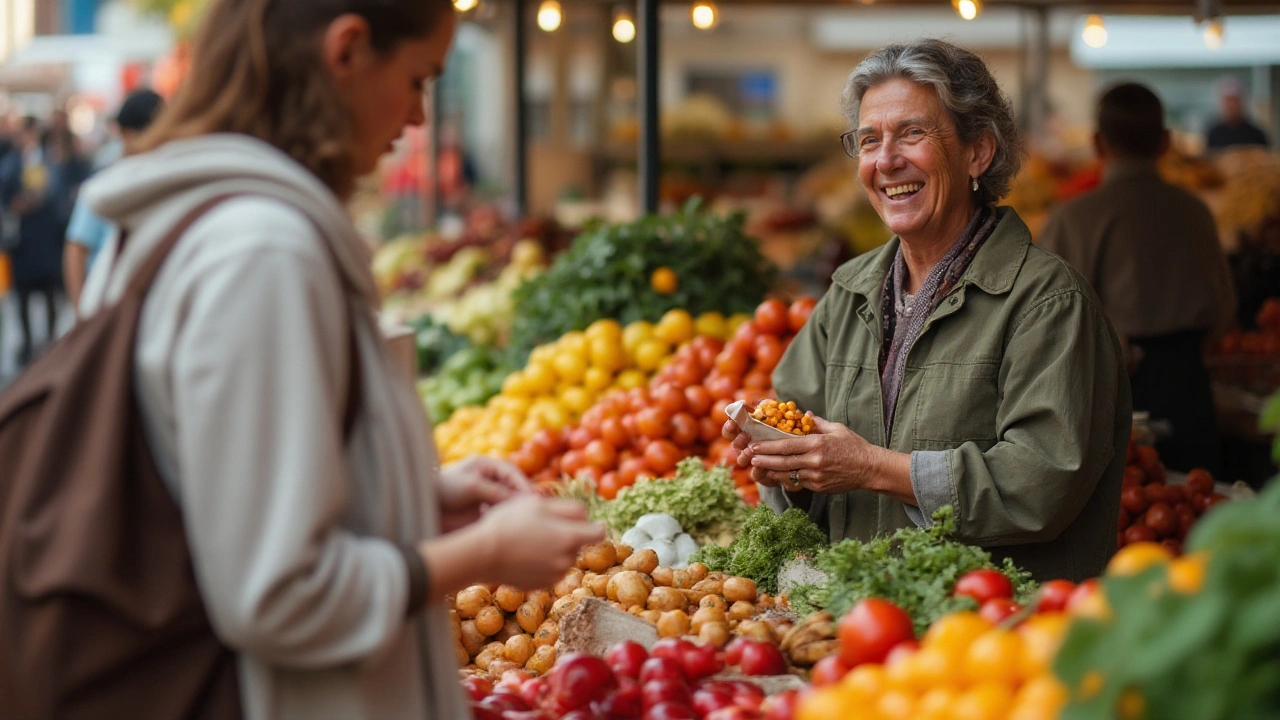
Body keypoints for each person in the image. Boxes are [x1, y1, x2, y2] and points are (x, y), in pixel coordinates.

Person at [75, 1, 603, 717]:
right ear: (348, 50)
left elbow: (220, 491)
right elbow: (277, 595)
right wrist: (482, 556)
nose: (419, 118)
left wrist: (413, 493)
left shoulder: (186, 224)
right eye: (419, 79)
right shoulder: (260, 252)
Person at [722, 39, 1130, 583]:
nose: (887, 161)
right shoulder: (849, 294)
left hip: (990, 635)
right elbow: (804, 451)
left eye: (912, 133)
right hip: (864, 622)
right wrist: (784, 462)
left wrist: (872, 467)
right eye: (869, 140)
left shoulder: (1047, 302)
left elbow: (1043, 482)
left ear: (978, 152)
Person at [1039, 83, 1235, 478]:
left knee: (1122, 515)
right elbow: (1225, 311)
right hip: (1188, 383)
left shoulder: (1071, 218)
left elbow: (1044, 324)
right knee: (1194, 510)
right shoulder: (1195, 212)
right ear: (1165, 142)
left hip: (1103, 390)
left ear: (1097, 143)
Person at [63, 89, 164, 308]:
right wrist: (83, 314)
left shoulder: (105, 184)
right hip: (115, 305)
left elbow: (76, 248)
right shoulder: (106, 186)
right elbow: (76, 249)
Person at [6, 117, 80, 366]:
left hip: (45, 235)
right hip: (24, 238)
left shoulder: (49, 162)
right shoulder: (12, 163)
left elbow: (57, 193)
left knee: (49, 292)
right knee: (23, 294)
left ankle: (49, 343)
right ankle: (27, 343)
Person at [1206, 77, 1270, 150]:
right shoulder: (1214, 133)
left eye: (1235, 100)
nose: (1231, 105)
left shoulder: (1256, 134)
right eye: (1228, 101)